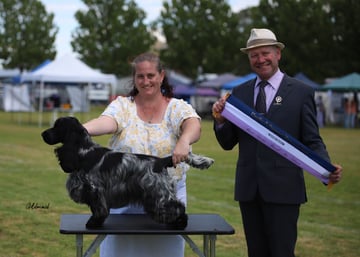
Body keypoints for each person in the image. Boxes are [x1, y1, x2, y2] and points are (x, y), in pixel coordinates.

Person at [212, 28, 343, 257]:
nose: (260, 59)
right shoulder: (239, 93)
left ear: (278, 54)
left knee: (282, 252)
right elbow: (227, 143)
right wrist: (221, 122)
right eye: (254, 55)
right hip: (249, 189)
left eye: (265, 53)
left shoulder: (302, 92)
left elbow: (312, 139)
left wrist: (327, 167)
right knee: (256, 252)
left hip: (285, 189)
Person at [83, 52, 201, 257]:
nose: (146, 81)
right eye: (140, 76)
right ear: (134, 79)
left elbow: (193, 124)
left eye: (150, 75)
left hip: (164, 195)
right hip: (123, 197)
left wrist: (184, 140)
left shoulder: (177, 107)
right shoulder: (122, 106)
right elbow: (107, 122)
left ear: (161, 76)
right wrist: (80, 129)